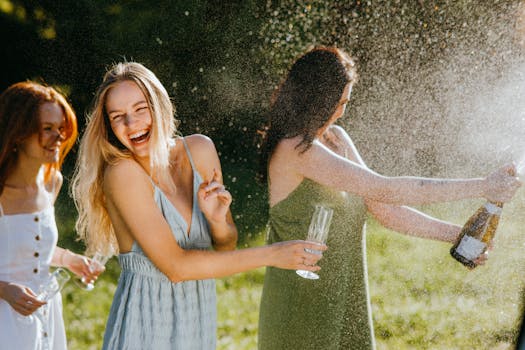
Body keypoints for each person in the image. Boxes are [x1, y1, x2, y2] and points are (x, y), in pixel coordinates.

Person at [257, 47, 522, 350]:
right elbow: (386, 188)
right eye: (339, 102)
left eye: (346, 101)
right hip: (299, 306)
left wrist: (457, 236)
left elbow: (385, 208)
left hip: (345, 297)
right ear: (316, 98)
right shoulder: (295, 150)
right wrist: (483, 185)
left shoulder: (337, 140)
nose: (342, 111)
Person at [71, 61, 326, 350]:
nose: (131, 124)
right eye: (118, 117)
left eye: (140, 109)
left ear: (159, 105)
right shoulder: (122, 174)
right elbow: (176, 267)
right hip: (146, 325)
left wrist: (217, 220)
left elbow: (226, 245)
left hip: (197, 317)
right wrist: (272, 255)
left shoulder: (200, 150)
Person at [0, 81, 103, 350]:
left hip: (45, 316)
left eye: (61, 128)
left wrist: (70, 260)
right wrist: (4, 289)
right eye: (47, 129)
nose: (58, 137)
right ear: (19, 132)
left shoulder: (51, 183)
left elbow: (29, 246)